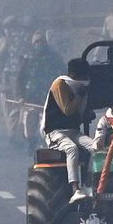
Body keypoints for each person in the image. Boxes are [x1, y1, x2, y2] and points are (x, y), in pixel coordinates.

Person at [40, 58, 94, 204]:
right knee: (71, 149)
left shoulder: (81, 89)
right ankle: (75, 189)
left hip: (73, 131)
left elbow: (80, 112)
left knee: (97, 148)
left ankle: (89, 184)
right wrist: (80, 95)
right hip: (55, 132)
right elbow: (68, 109)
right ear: (75, 75)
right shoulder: (60, 84)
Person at [0, 16, 29, 138]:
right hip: (9, 80)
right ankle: (16, 134)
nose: (9, 30)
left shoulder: (11, 41)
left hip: (14, 79)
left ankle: (15, 135)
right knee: (15, 108)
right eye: (6, 28)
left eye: (11, 27)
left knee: (15, 108)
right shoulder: (4, 41)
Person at [16, 31, 65, 117]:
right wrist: (21, 96)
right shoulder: (28, 58)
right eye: (37, 42)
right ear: (33, 43)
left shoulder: (54, 57)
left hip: (49, 95)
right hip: (31, 97)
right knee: (30, 121)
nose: (40, 44)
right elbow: (20, 78)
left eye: (42, 41)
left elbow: (64, 73)